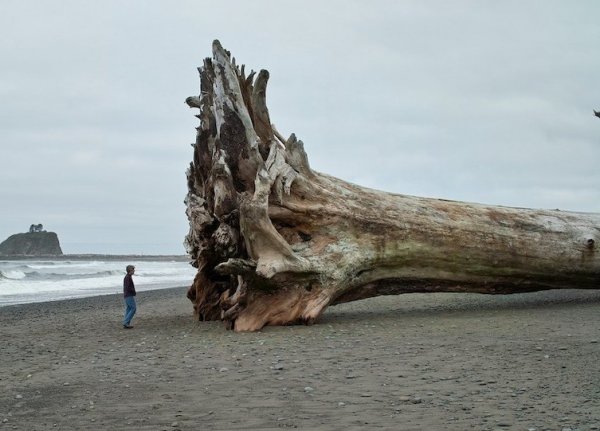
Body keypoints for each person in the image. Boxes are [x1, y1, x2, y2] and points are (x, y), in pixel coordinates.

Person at [122, 265, 137, 329]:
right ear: (130, 270)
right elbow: (128, 287)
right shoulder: (128, 277)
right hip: (128, 295)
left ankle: (126, 323)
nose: (134, 271)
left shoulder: (128, 277)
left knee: (129, 308)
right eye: (133, 269)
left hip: (127, 295)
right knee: (133, 308)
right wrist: (133, 292)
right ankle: (125, 322)